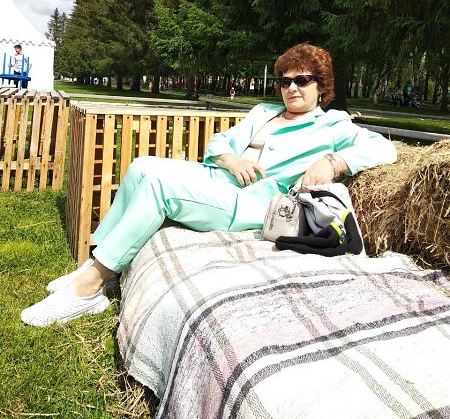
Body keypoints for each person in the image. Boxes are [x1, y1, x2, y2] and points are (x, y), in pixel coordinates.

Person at [21, 43, 397, 327]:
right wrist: (232, 160)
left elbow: (384, 148)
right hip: (219, 178)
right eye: (286, 81)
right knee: (140, 166)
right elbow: (219, 143)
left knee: (161, 186)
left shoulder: (332, 124)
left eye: (303, 80)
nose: (292, 88)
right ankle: (101, 262)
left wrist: (332, 162)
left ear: (321, 86)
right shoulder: (264, 112)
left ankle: (89, 287)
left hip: (248, 202)